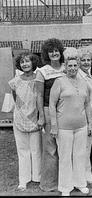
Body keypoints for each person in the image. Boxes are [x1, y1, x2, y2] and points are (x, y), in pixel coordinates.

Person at [49, 47, 91, 196]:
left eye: (75, 65)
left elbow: (87, 105)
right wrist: (54, 126)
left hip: (81, 126)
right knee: (65, 157)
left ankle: (80, 183)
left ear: (78, 66)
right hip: (63, 127)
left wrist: (89, 124)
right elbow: (52, 105)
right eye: (70, 66)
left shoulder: (84, 82)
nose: (73, 68)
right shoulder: (59, 82)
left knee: (80, 155)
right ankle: (65, 187)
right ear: (65, 67)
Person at [8, 52, 43, 191]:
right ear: (19, 65)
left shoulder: (39, 79)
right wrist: (22, 114)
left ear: (33, 63)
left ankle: (37, 177)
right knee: (22, 150)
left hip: (35, 118)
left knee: (36, 150)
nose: (25, 64)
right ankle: (23, 180)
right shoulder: (15, 81)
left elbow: (39, 98)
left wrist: (39, 116)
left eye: (28, 61)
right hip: (20, 119)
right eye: (22, 62)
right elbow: (15, 100)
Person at [36, 38, 65, 192]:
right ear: (47, 54)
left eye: (56, 50)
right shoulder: (42, 71)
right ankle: (49, 184)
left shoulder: (67, 68)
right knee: (50, 149)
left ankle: (65, 181)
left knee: (65, 148)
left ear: (61, 52)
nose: (54, 53)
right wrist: (41, 116)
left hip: (66, 112)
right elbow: (39, 96)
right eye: (51, 51)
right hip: (48, 112)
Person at [77, 46, 92, 183]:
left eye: (88, 60)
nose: (86, 62)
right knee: (82, 147)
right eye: (83, 60)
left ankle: (86, 172)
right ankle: (83, 174)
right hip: (83, 115)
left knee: (88, 146)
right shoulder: (78, 76)